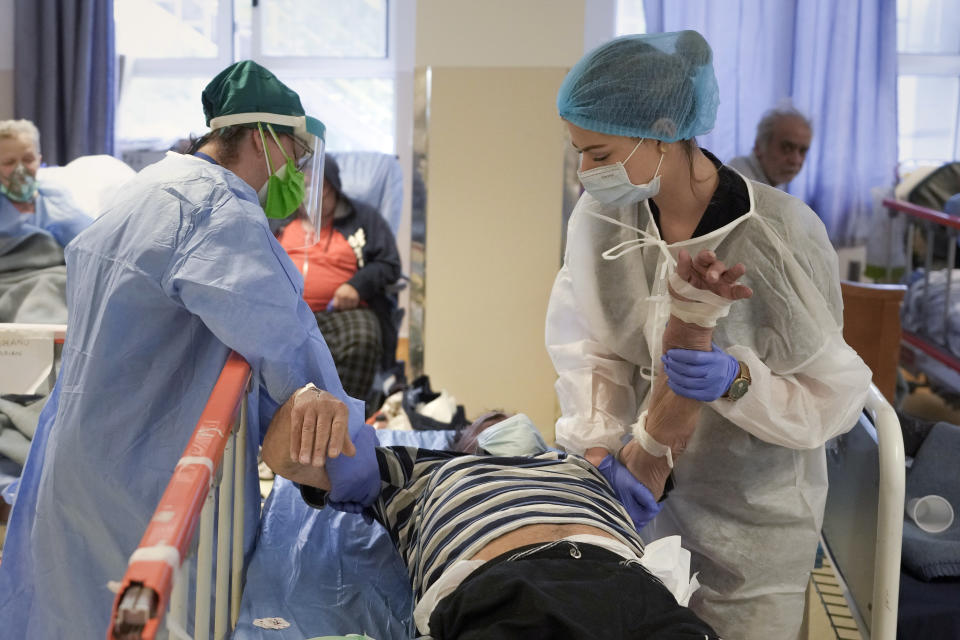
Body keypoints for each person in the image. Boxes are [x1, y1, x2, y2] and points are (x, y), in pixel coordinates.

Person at [0, 61, 368, 638]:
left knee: (70, 615)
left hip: (80, 453)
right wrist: (362, 472)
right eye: (294, 156)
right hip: (142, 474)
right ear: (260, 139)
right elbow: (290, 349)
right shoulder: (218, 212)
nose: (296, 173)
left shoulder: (146, 186)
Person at [549, 31, 872, 639]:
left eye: (597, 153)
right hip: (639, 501)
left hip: (752, 526)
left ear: (666, 130)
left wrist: (739, 380)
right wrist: (598, 447)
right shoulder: (601, 217)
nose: (585, 172)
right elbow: (588, 346)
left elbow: (835, 393)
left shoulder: (779, 235)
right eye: (579, 153)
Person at [262, 249, 751, 639]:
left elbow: (663, 436)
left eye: (507, 417)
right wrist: (307, 403)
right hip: (504, 590)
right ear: (465, 443)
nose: (505, 422)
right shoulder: (417, 470)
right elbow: (289, 458)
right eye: (487, 422)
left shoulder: (586, 467)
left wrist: (693, 317)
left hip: (631, 588)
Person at [277, 155, 402, 406]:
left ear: (332, 186)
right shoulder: (279, 220)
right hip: (287, 310)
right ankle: (284, 417)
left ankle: (342, 411)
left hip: (342, 312)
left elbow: (389, 264)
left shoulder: (364, 218)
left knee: (363, 339)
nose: (308, 194)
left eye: (317, 186)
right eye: (302, 185)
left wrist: (356, 286)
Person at [0, 119, 93, 247]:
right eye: (9, 162)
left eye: (28, 159)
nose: (20, 170)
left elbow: (91, 240)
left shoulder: (55, 195)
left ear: (39, 160)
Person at [728, 105, 813, 189]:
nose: (795, 160)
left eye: (803, 151)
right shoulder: (738, 181)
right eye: (787, 148)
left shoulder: (773, 180)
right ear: (759, 147)